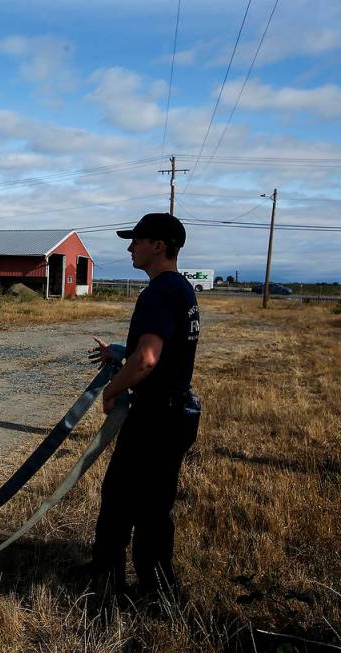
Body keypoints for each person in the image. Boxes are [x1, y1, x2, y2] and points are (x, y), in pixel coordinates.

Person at [85, 213, 201, 600]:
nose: (130, 247)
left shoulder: (158, 292)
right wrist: (119, 353)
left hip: (155, 417)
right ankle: (157, 590)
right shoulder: (181, 290)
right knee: (152, 504)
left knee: (121, 502)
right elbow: (163, 353)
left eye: (136, 240)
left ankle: (112, 587)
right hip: (174, 414)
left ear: (158, 246)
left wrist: (111, 390)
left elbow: (148, 359)